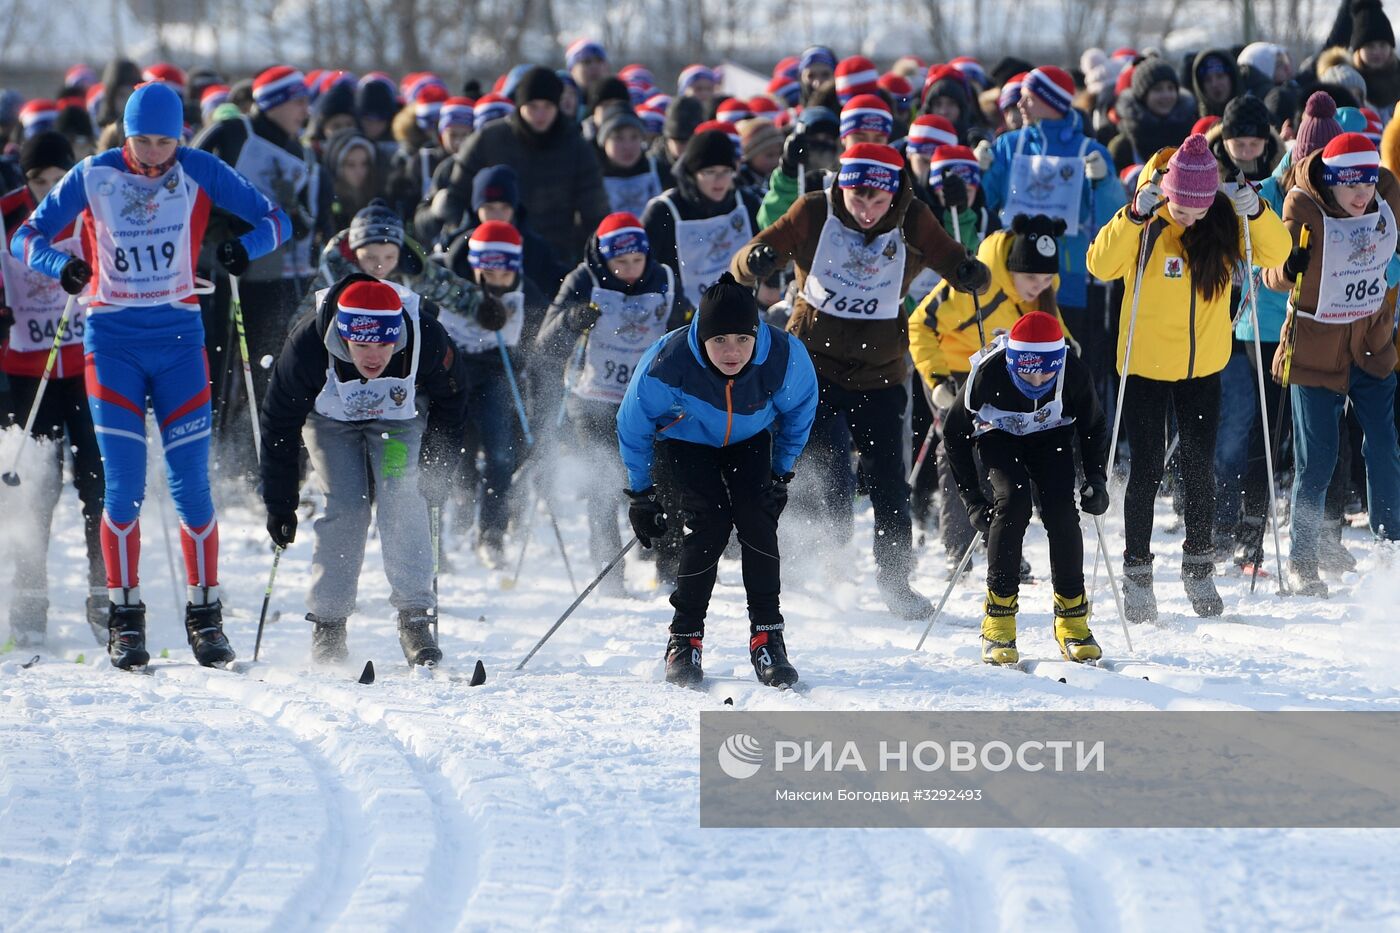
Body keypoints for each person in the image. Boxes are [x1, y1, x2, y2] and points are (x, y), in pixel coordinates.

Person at [13, 82, 291, 669]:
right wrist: (61, 264)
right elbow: (25, 237)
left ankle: (206, 616)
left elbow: (277, 219)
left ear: (181, 137)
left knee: (193, 487)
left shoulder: (198, 168)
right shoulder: (93, 174)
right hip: (110, 343)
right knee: (124, 489)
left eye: (166, 141)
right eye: (144, 140)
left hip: (179, 342)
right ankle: (125, 617)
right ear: (126, 131)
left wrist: (247, 246)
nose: (155, 153)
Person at [731, 142, 988, 618]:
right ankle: (812, 569)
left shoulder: (913, 218)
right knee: (822, 471)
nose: (868, 211)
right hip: (813, 366)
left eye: (878, 202)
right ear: (842, 190)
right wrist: (757, 260)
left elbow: (955, 260)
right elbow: (746, 256)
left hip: (880, 372)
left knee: (890, 482)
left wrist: (970, 273)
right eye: (858, 199)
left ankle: (895, 581)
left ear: (894, 195)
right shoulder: (812, 211)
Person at [1086, 133, 1290, 621]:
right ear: (1169, 188)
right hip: (1145, 366)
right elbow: (1100, 263)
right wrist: (1134, 215)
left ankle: (1198, 568)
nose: (1190, 217)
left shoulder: (1220, 217)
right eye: (1183, 206)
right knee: (1148, 469)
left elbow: (1276, 252)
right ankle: (1138, 572)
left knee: (1200, 469)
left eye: (1199, 208)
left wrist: (1258, 211)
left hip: (1202, 366)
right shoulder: (1148, 216)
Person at [616, 273, 817, 687]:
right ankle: (684, 638)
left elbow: (800, 411)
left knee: (757, 520)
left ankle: (768, 636)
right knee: (709, 524)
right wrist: (641, 493)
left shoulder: (783, 356)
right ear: (701, 337)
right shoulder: (666, 361)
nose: (732, 351)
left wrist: (781, 472)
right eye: (720, 340)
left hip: (750, 438)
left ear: (756, 334)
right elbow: (632, 425)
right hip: (687, 440)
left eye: (743, 340)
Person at [259, 277, 468, 666]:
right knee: (348, 509)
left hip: (397, 420)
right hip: (330, 420)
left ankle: (415, 620)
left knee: (403, 495)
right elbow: (278, 426)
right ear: (343, 336)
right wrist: (280, 502)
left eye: (384, 345)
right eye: (361, 346)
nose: (373, 357)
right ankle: (329, 625)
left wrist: (437, 468)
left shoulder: (427, 338)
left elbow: (453, 401)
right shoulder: (307, 346)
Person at [1261, 132, 1400, 595]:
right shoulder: (1302, 206)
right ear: (1332, 180)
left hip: (1371, 344)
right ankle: (1303, 559)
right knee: (1317, 459)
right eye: (1352, 185)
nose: (1363, 194)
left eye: (1369, 183)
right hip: (1317, 351)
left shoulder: (1387, 195)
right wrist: (1289, 265)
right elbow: (1272, 275)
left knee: (1383, 447)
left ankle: (1390, 551)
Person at [941, 311, 1109, 665]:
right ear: (1012, 361)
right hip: (999, 437)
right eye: (1026, 370)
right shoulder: (988, 373)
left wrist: (1096, 479)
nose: (1036, 379)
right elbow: (954, 435)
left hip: (1051, 438)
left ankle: (1072, 620)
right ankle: (999, 618)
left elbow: (1093, 426)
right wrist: (971, 500)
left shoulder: (1073, 371)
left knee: (1062, 513)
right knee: (1014, 503)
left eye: (1046, 371)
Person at [534, 212, 690, 589]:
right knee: (606, 483)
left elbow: (687, 333)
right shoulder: (583, 280)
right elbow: (544, 345)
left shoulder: (664, 279)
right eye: (620, 263)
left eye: (637, 261)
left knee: (666, 483)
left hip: (651, 402)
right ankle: (609, 574)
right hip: (595, 400)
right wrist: (571, 320)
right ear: (604, 259)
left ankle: (669, 566)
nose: (631, 270)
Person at [910, 213, 1073, 574]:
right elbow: (920, 325)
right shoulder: (974, 285)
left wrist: (1072, 360)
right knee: (959, 452)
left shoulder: (1042, 291)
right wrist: (937, 383)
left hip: (1004, 376)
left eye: (1047, 278)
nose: (1040, 285)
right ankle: (959, 545)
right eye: (1032, 277)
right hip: (952, 373)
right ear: (1012, 268)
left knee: (1006, 453)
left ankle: (1001, 540)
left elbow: (1055, 332)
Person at [0, 131, 106, 647]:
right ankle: (29, 602)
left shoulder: (91, 209)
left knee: (99, 483)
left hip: (88, 366)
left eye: (55, 180)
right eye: (37, 181)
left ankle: (107, 593)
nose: (47, 191)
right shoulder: (8, 215)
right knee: (36, 490)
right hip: (28, 370)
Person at [981, 64, 1126, 428]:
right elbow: (986, 200)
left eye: (1030, 97)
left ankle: (1077, 450)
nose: (1021, 104)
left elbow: (1112, 216)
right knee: (1017, 367)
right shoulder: (1009, 144)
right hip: (1013, 276)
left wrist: (1104, 181)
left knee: (1070, 370)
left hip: (1072, 279)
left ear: (1051, 101)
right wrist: (980, 169)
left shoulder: (1089, 150)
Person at [195, 65, 319, 453]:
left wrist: (294, 214)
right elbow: (187, 172)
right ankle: (209, 446)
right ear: (275, 102)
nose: (305, 109)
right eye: (298, 100)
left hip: (267, 269)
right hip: (216, 262)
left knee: (265, 366)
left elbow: (302, 221)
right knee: (216, 363)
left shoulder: (299, 149)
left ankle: (254, 454)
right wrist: (220, 218)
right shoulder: (235, 132)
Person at [429, 66, 608, 264]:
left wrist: (588, 257)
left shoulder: (575, 146)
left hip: (553, 255)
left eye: (547, 107)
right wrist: (465, 237)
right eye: (533, 107)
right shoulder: (488, 140)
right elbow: (457, 197)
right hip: (490, 253)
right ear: (520, 105)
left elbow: (595, 212)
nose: (540, 115)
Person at [641, 126, 762, 311]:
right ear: (692, 174)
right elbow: (643, 268)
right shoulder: (664, 211)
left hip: (741, 314)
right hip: (683, 317)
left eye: (726, 171)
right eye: (710, 172)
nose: (719, 180)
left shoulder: (746, 203)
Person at [1107, 56, 1198, 169]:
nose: (1166, 95)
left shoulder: (1191, 132)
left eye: (1170, 88)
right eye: (1158, 89)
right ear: (1142, 96)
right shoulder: (1125, 146)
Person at [596, 106, 663, 217]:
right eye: (618, 138)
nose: (627, 146)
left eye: (634, 137)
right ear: (604, 142)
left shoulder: (659, 170)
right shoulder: (590, 177)